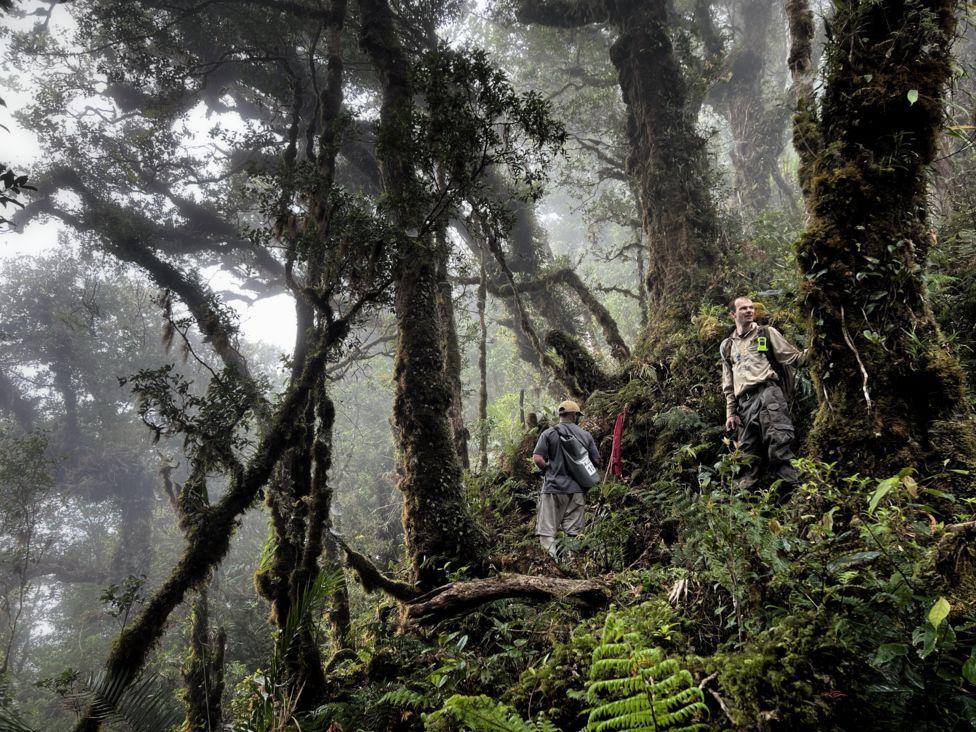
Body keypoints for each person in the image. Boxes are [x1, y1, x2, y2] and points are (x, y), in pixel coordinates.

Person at [720, 296, 809, 491]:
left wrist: (817, 350)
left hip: (768, 394)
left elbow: (793, 357)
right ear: (733, 314)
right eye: (743, 308)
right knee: (746, 458)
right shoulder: (727, 346)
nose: (749, 311)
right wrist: (731, 412)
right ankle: (747, 511)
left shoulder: (765, 333)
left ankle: (796, 497)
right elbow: (728, 383)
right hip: (744, 405)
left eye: (751, 308)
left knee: (779, 445)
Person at [531, 400, 601, 561]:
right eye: (578, 415)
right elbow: (596, 461)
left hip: (553, 489)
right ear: (574, 415)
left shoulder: (548, 433)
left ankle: (552, 566)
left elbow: (537, 458)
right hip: (577, 490)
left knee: (547, 531)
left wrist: (548, 468)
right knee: (573, 532)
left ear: (561, 415)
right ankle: (572, 566)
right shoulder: (585, 435)